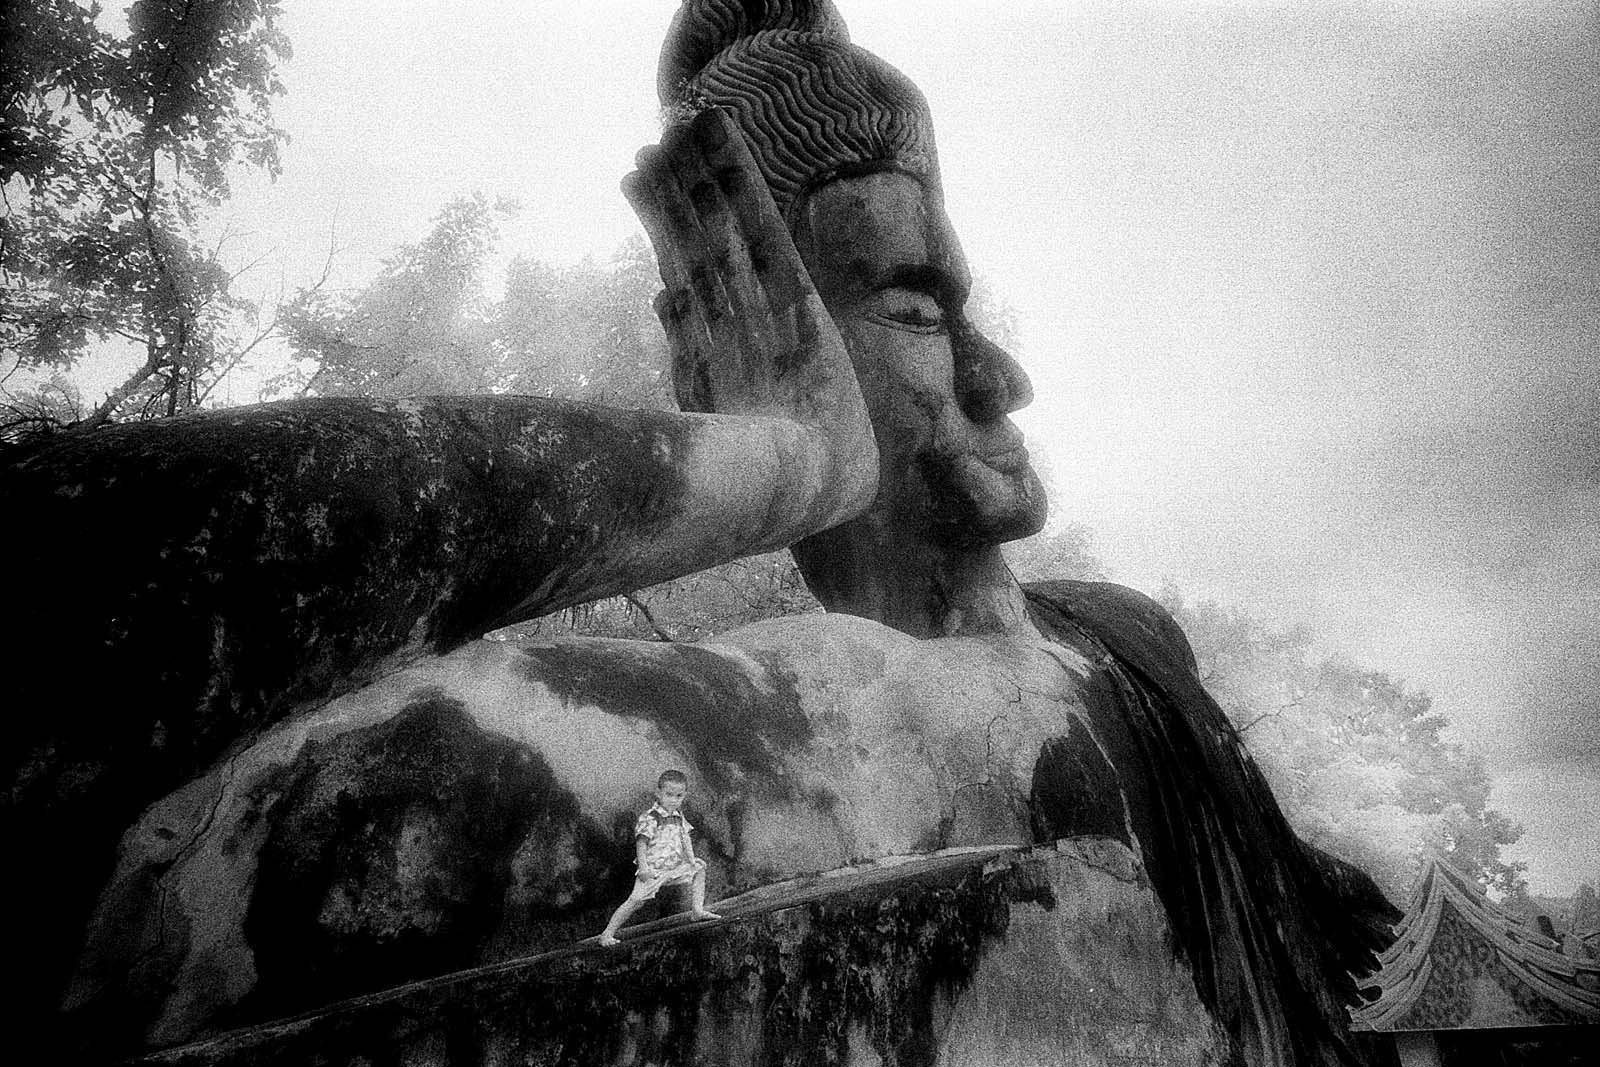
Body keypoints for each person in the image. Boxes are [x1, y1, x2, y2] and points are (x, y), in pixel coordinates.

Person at [12, 3, 1397, 1063]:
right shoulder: (771, 720)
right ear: (731, 361)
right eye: (915, 309)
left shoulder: (1121, 646)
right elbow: (78, 603)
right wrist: (781, 456)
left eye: (958, 305)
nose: (1000, 375)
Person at [597, 769, 721, 947]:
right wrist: (644, 868)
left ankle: (697, 911)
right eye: (669, 795)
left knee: (699, 870)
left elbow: (685, 838)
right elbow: (641, 843)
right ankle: (607, 934)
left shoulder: (678, 816)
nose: (673, 800)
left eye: (678, 796)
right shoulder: (651, 817)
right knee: (635, 901)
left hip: (674, 867)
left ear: (684, 795)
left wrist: (692, 860)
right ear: (658, 793)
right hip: (653, 870)